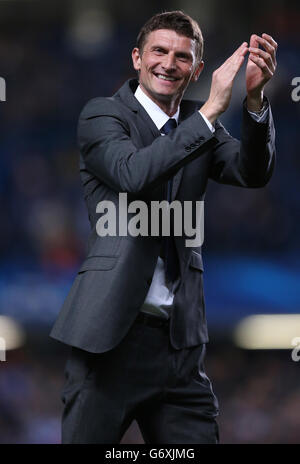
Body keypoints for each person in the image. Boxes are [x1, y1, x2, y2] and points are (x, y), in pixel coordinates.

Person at [50, 10, 277, 444]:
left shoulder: (201, 125)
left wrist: (253, 102)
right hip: (108, 343)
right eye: (159, 51)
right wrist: (211, 110)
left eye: (182, 56)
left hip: (179, 350)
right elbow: (134, 174)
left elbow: (253, 172)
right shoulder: (102, 116)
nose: (169, 63)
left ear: (197, 70)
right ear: (137, 58)